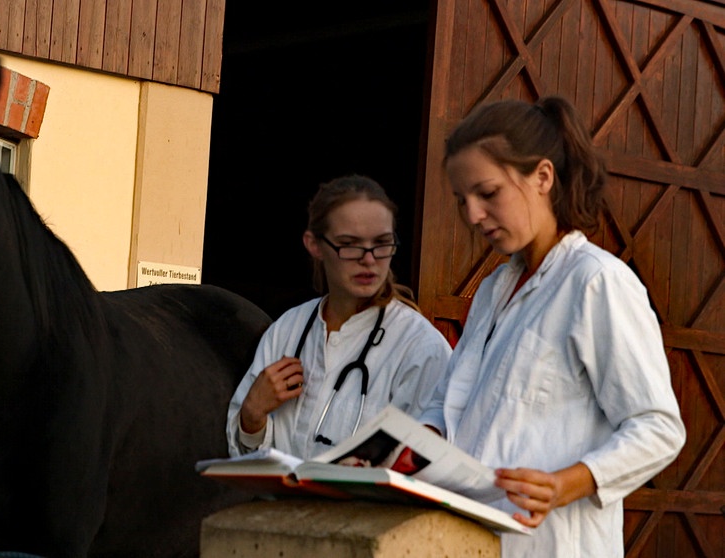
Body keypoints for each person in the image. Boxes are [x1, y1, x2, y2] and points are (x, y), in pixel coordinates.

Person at [418, 96, 686, 557]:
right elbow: (450, 404)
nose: (472, 215)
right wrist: (410, 447)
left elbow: (658, 427)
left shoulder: (595, 282)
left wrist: (565, 484)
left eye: (488, 193)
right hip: (472, 540)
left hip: (555, 545)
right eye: (463, 200)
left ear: (542, 177)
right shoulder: (491, 292)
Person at [227, 174, 452, 460]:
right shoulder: (287, 330)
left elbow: (430, 462)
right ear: (314, 245)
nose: (369, 259)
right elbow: (244, 454)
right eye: (350, 244)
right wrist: (252, 415)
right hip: (286, 504)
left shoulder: (420, 348)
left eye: (382, 243)